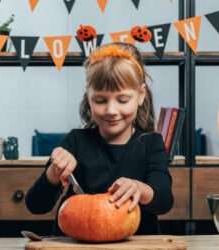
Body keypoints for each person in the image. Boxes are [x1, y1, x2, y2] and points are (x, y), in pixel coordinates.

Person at [25, 42, 173, 235]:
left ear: (140, 95)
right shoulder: (75, 141)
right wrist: (53, 172)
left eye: (122, 100)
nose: (111, 111)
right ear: (89, 97)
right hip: (76, 245)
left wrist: (140, 189)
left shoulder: (151, 143)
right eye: (101, 100)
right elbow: (36, 205)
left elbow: (164, 201)